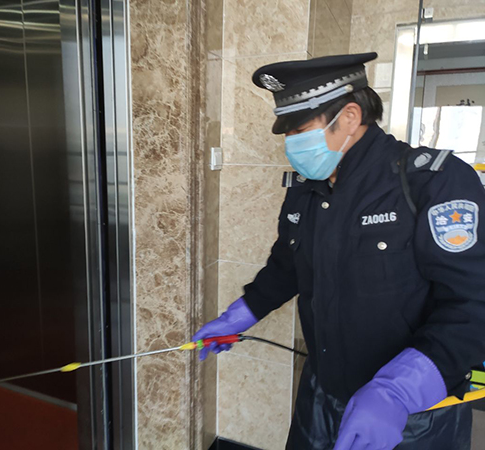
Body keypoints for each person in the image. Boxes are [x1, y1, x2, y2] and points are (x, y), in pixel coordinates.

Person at [193, 52, 485, 450]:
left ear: (349, 117)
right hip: (321, 396)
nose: (291, 145)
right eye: (288, 134)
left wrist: (397, 391)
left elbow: (473, 305)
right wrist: (240, 314)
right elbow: (287, 266)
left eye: (300, 130)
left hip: (411, 415)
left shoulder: (431, 183)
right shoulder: (306, 189)